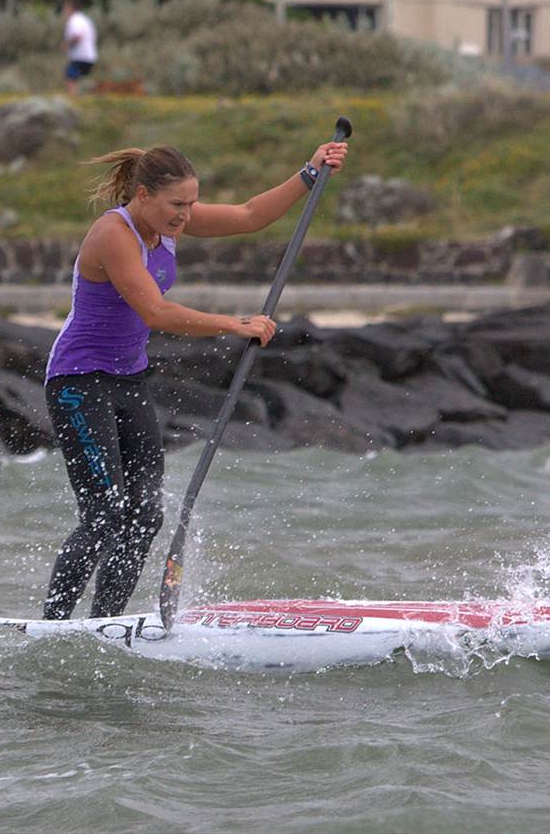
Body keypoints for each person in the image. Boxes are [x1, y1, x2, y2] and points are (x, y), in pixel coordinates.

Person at [42, 138, 350, 620]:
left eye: (191, 203)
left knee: (145, 515)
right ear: (143, 196)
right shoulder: (113, 234)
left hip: (128, 381)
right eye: (176, 204)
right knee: (103, 516)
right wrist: (234, 324)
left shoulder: (167, 224)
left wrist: (309, 173)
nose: (186, 215)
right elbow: (155, 311)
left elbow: (250, 215)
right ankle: (53, 625)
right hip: (79, 383)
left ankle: (103, 623)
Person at [61, 0, 96, 95]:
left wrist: (67, 45)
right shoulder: (84, 19)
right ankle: (82, 96)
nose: (64, 10)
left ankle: (74, 98)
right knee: (79, 77)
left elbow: (77, 36)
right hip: (89, 55)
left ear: (71, 9)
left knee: (70, 77)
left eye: (65, 8)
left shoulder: (74, 20)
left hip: (80, 55)